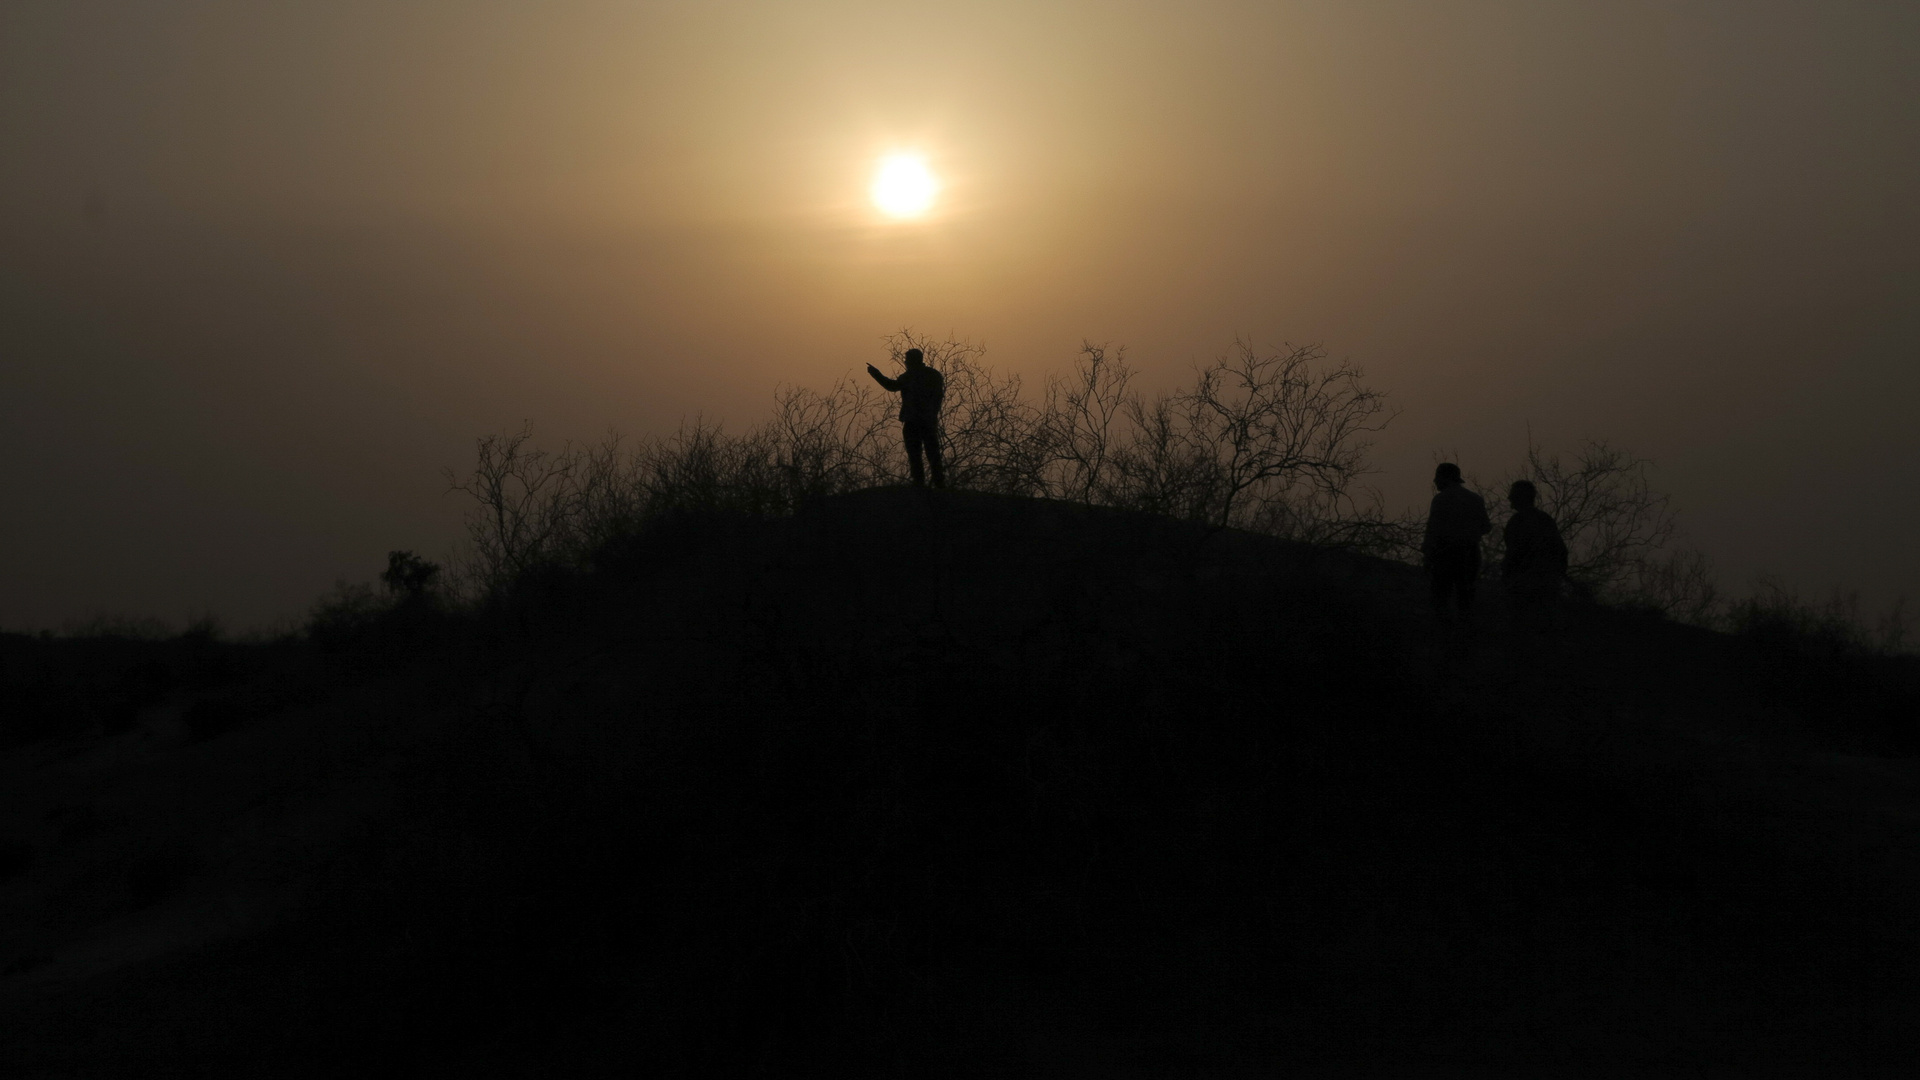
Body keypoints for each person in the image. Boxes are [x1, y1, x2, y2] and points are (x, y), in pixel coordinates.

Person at [867, 347, 946, 488]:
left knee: (916, 455)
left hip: (913, 421)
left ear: (911, 361)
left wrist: (876, 374)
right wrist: (933, 413)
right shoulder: (933, 375)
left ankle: (921, 485)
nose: (905, 362)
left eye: (907, 360)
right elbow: (938, 397)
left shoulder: (909, 377)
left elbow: (891, 386)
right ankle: (938, 485)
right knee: (932, 454)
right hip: (927, 420)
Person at [1422, 462, 1490, 619]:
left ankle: (1446, 634)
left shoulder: (1441, 500)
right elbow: (1486, 527)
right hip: (1470, 553)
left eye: (1437, 477)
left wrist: (1427, 555)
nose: (1435, 481)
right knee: (1466, 598)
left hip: (1445, 554)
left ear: (1444, 478)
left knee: (1441, 598)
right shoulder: (1475, 499)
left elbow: (1433, 530)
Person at [1501, 479, 1568, 630]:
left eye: (1512, 495)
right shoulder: (1545, 519)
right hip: (1544, 582)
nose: (1509, 498)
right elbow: (1560, 550)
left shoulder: (1518, 521)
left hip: (1525, 584)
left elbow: (1514, 552)